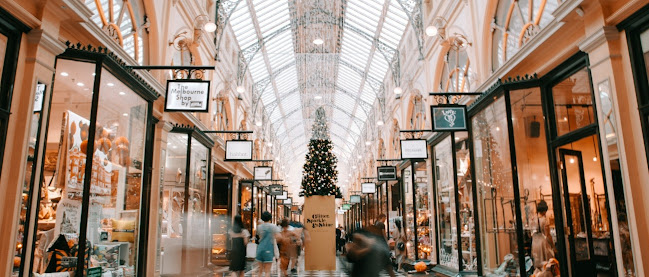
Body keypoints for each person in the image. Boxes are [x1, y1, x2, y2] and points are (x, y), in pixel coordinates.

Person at [531, 200, 555, 272]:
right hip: (542, 242)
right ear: (544, 210)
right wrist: (553, 246)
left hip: (535, 242)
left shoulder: (533, 219)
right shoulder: (544, 220)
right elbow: (548, 235)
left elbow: (530, 233)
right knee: (546, 263)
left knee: (537, 263)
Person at [256, 211, 279, 277]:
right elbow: (278, 236)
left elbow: (258, 236)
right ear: (270, 218)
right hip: (269, 249)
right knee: (267, 271)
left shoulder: (259, 227)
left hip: (260, 249)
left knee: (260, 270)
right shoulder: (273, 227)